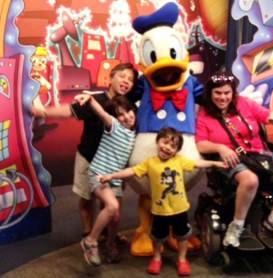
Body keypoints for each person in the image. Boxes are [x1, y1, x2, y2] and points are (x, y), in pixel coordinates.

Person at [100, 127, 226, 276]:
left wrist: (216, 163)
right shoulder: (149, 163)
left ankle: (182, 260)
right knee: (157, 237)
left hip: (180, 210)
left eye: (173, 146)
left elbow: (198, 164)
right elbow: (131, 171)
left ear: (176, 151)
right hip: (159, 210)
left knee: (183, 236)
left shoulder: (179, 161)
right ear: (158, 141)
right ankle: (157, 258)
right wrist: (112, 176)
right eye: (165, 142)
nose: (167, 148)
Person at [31, 63, 138, 239]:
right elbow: (68, 111)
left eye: (130, 80)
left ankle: (109, 233)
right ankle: (88, 231)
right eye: (122, 76)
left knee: (111, 201)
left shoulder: (130, 106)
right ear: (110, 78)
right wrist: (43, 112)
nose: (126, 81)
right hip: (88, 156)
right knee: (86, 197)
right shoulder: (94, 99)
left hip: (114, 164)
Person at [195, 71, 273, 248]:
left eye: (227, 93)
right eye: (217, 93)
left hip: (258, 154)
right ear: (210, 94)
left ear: (232, 93)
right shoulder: (204, 114)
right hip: (231, 158)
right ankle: (237, 226)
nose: (222, 97)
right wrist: (220, 147)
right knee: (250, 180)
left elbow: (266, 116)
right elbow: (200, 144)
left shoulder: (244, 103)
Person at [74, 93, 136, 266]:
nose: (126, 117)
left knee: (115, 217)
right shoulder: (114, 125)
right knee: (112, 206)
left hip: (114, 179)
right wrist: (90, 99)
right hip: (99, 175)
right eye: (120, 114)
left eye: (128, 111)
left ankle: (110, 245)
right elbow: (102, 113)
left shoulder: (133, 135)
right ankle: (90, 241)